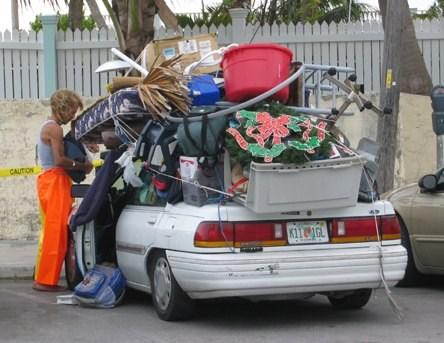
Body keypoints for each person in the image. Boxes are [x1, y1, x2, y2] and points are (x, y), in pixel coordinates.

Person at [33, 89, 94, 292]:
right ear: (63, 108)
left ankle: (45, 278)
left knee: (55, 231)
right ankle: (45, 281)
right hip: (55, 180)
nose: (73, 116)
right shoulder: (54, 129)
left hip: (51, 180)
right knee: (56, 232)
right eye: (72, 111)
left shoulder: (50, 127)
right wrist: (81, 166)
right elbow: (59, 160)